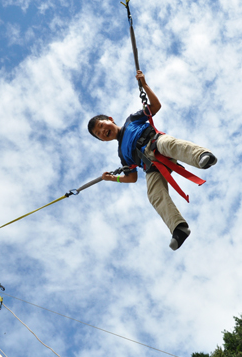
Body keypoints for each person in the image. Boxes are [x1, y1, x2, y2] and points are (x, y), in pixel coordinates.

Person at [87, 70, 217, 250]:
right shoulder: (122, 155)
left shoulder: (132, 120)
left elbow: (155, 106)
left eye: (102, 126)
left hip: (155, 143)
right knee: (153, 194)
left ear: (110, 119)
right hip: (151, 166)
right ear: (102, 140)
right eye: (99, 134)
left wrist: (144, 85)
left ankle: (202, 156)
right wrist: (113, 178)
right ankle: (179, 228)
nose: (102, 131)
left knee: (170, 145)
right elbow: (132, 177)